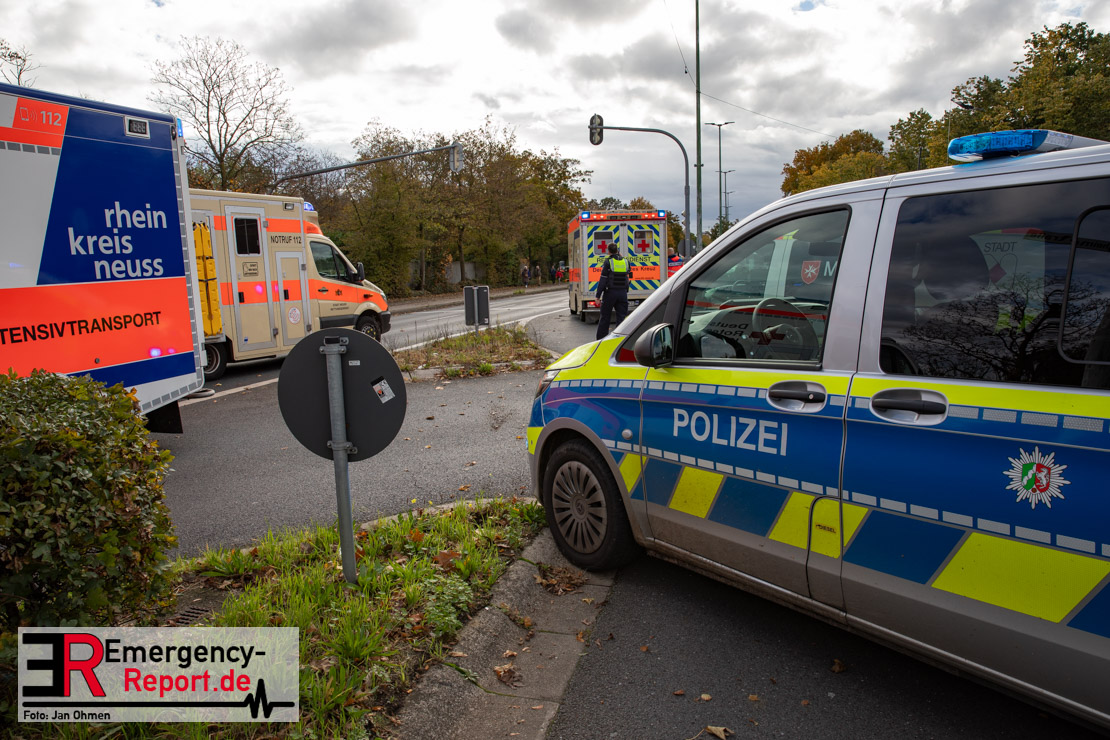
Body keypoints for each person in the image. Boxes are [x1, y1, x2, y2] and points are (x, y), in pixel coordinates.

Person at [595, 243, 630, 340]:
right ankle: (620, 339)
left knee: (605, 318)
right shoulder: (626, 262)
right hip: (622, 293)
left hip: (610, 293)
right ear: (618, 251)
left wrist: (598, 296)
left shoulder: (608, 262)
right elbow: (627, 275)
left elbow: (603, 280)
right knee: (621, 318)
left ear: (608, 251)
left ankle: (601, 340)